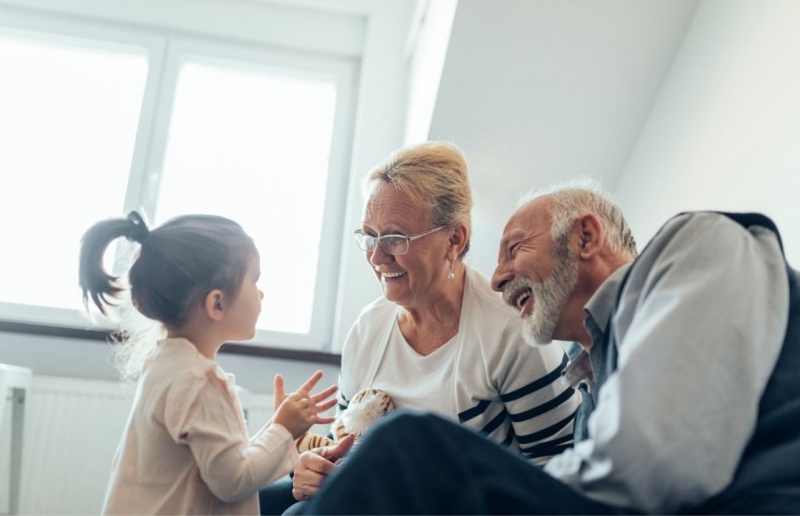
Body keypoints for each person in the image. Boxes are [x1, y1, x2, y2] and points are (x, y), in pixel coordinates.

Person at [301, 178, 800, 514]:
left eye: (513, 248)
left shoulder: (697, 244)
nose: (495, 279)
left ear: (585, 237)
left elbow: (651, 464)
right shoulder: (592, 388)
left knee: (408, 446)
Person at [260, 142, 581, 513]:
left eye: (395, 238)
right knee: (254, 501)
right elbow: (344, 444)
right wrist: (312, 469)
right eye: (369, 236)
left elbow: (556, 468)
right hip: (378, 497)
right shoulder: (368, 330)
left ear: (454, 239)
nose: (377, 257)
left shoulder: (511, 331)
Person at [78, 211, 338, 515]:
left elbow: (221, 463)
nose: (262, 293)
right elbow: (233, 481)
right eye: (255, 281)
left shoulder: (167, 366)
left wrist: (280, 426)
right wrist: (283, 429)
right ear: (217, 303)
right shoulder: (197, 381)